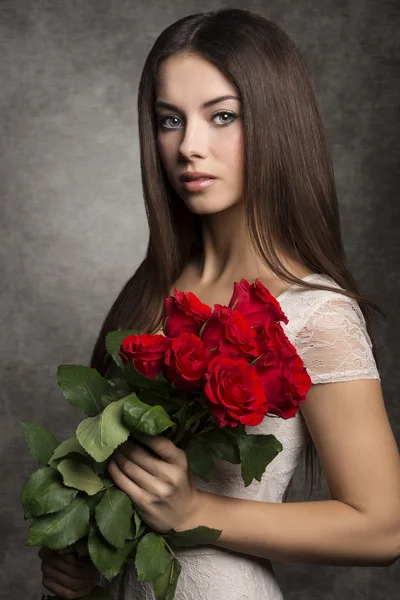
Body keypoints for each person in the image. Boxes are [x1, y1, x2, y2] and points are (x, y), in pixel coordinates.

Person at [39, 8, 400, 600]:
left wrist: (193, 511)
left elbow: (382, 528)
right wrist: (85, 561)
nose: (189, 147)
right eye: (170, 120)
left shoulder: (317, 313)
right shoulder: (152, 288)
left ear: (277, 123)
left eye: (223, 116)